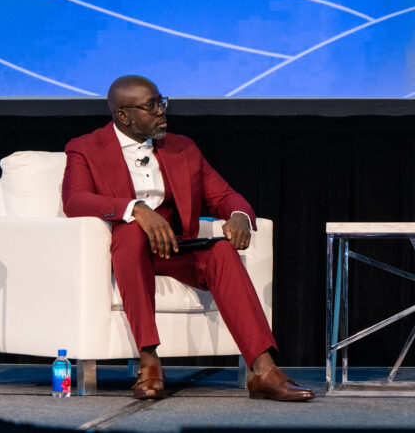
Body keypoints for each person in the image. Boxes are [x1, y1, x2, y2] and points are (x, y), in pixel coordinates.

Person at [61, 75, 314, 402]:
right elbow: (75, 201)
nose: (161, 112)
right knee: (130, 233)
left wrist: (238, 215)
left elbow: (226, 196)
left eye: (161, 102)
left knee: (221, 252)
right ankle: (149, 361)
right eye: (151, 106)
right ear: (123, 116)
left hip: (172, 248)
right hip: (125, 251)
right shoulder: (85, 147)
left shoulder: (183, 148)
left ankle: (263, 371)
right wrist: (135, 209)